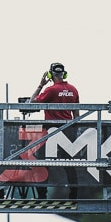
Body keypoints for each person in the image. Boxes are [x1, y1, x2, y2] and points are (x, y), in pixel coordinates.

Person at [29, 62, 80, 198]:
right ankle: (74, 195)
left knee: (42, 162)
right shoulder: (73, 89)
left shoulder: (51, 90)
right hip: (68, 130)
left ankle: (42, 195)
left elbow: (32, 101)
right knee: (69, 164)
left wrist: (41, 85)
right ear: (64, 74)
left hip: (51, 131)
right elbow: (76, 115)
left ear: (51, 75)